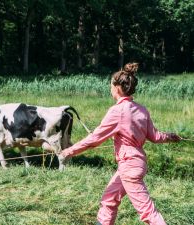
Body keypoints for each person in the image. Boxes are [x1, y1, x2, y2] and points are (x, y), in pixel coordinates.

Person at [59, 63, 181, 225]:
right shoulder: (142, 110)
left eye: (111, 84)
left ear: (117, 87)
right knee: (109, 198)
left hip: (129, 167)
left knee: (147, 212)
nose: (110, 88)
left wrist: (68, 151)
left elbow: (94, 140)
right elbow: (155, 136)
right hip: (134, 164)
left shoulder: (117, 111)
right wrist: (170, 137)